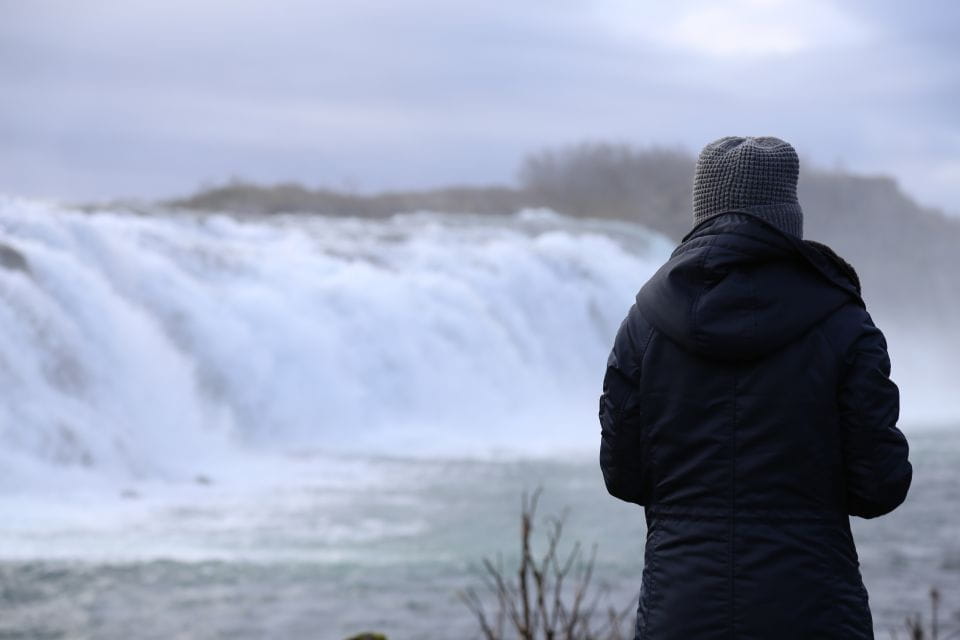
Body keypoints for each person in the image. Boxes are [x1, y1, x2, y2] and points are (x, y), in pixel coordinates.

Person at [598, 136, 912, 639]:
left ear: (703, 210)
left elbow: (622, 476)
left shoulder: (645, 325)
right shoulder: (845, 323)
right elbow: (881, 487)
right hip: (815, 609)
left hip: (682, 609)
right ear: (789, 217)